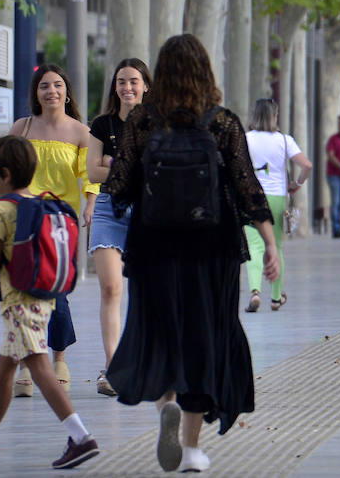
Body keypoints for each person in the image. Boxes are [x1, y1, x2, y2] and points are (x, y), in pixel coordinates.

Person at [103, 33, 279, 474]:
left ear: (159, 73)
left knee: (161, 329)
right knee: (205, 334)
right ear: (205, 70)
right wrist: (270, 242)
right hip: (211, 247)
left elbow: (118, 188)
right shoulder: (221, 122)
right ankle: (192, 448)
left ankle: (166, 402)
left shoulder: (142, 120)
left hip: (153, 244)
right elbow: (247, 187)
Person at [0, 135, 100, 469]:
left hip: (18, 304)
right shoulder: (44, 200)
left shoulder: (0, 210)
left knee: (40, 367)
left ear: (5, 174)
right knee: (2, 373)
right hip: (44, 299)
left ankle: (81, 436)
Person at [0, 64, 96, 398]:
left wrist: (89, 206)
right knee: (22, 290)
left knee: (54, 290)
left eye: (58, 85)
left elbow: (89, 177)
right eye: (44, 86)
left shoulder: (80, 132)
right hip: (19, 219)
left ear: (66, 91)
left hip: (59, 222)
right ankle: (29, 361)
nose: (52, 91)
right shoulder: (22, 126)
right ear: (36, 93)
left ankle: (59, 358)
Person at [86, 58, 152, 397]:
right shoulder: (102, 124)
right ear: (115, 86)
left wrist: (113, 162)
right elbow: (92, 173)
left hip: (147, 212)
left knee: (145, 292)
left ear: (145, 86)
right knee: (111, 289)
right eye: (122, 81)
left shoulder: (157, 123)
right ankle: (112, 369)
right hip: (109, 210)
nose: (127, 87)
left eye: (134, 81)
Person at [244, 98, 312, 312]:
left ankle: (255, 292)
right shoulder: (284, 140)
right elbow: (307, 165)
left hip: (251, 196)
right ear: (274, 116)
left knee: (254, 246)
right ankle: (275, 298)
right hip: (276, 197)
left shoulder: (246, 139)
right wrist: (297, 184)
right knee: (277, 246)